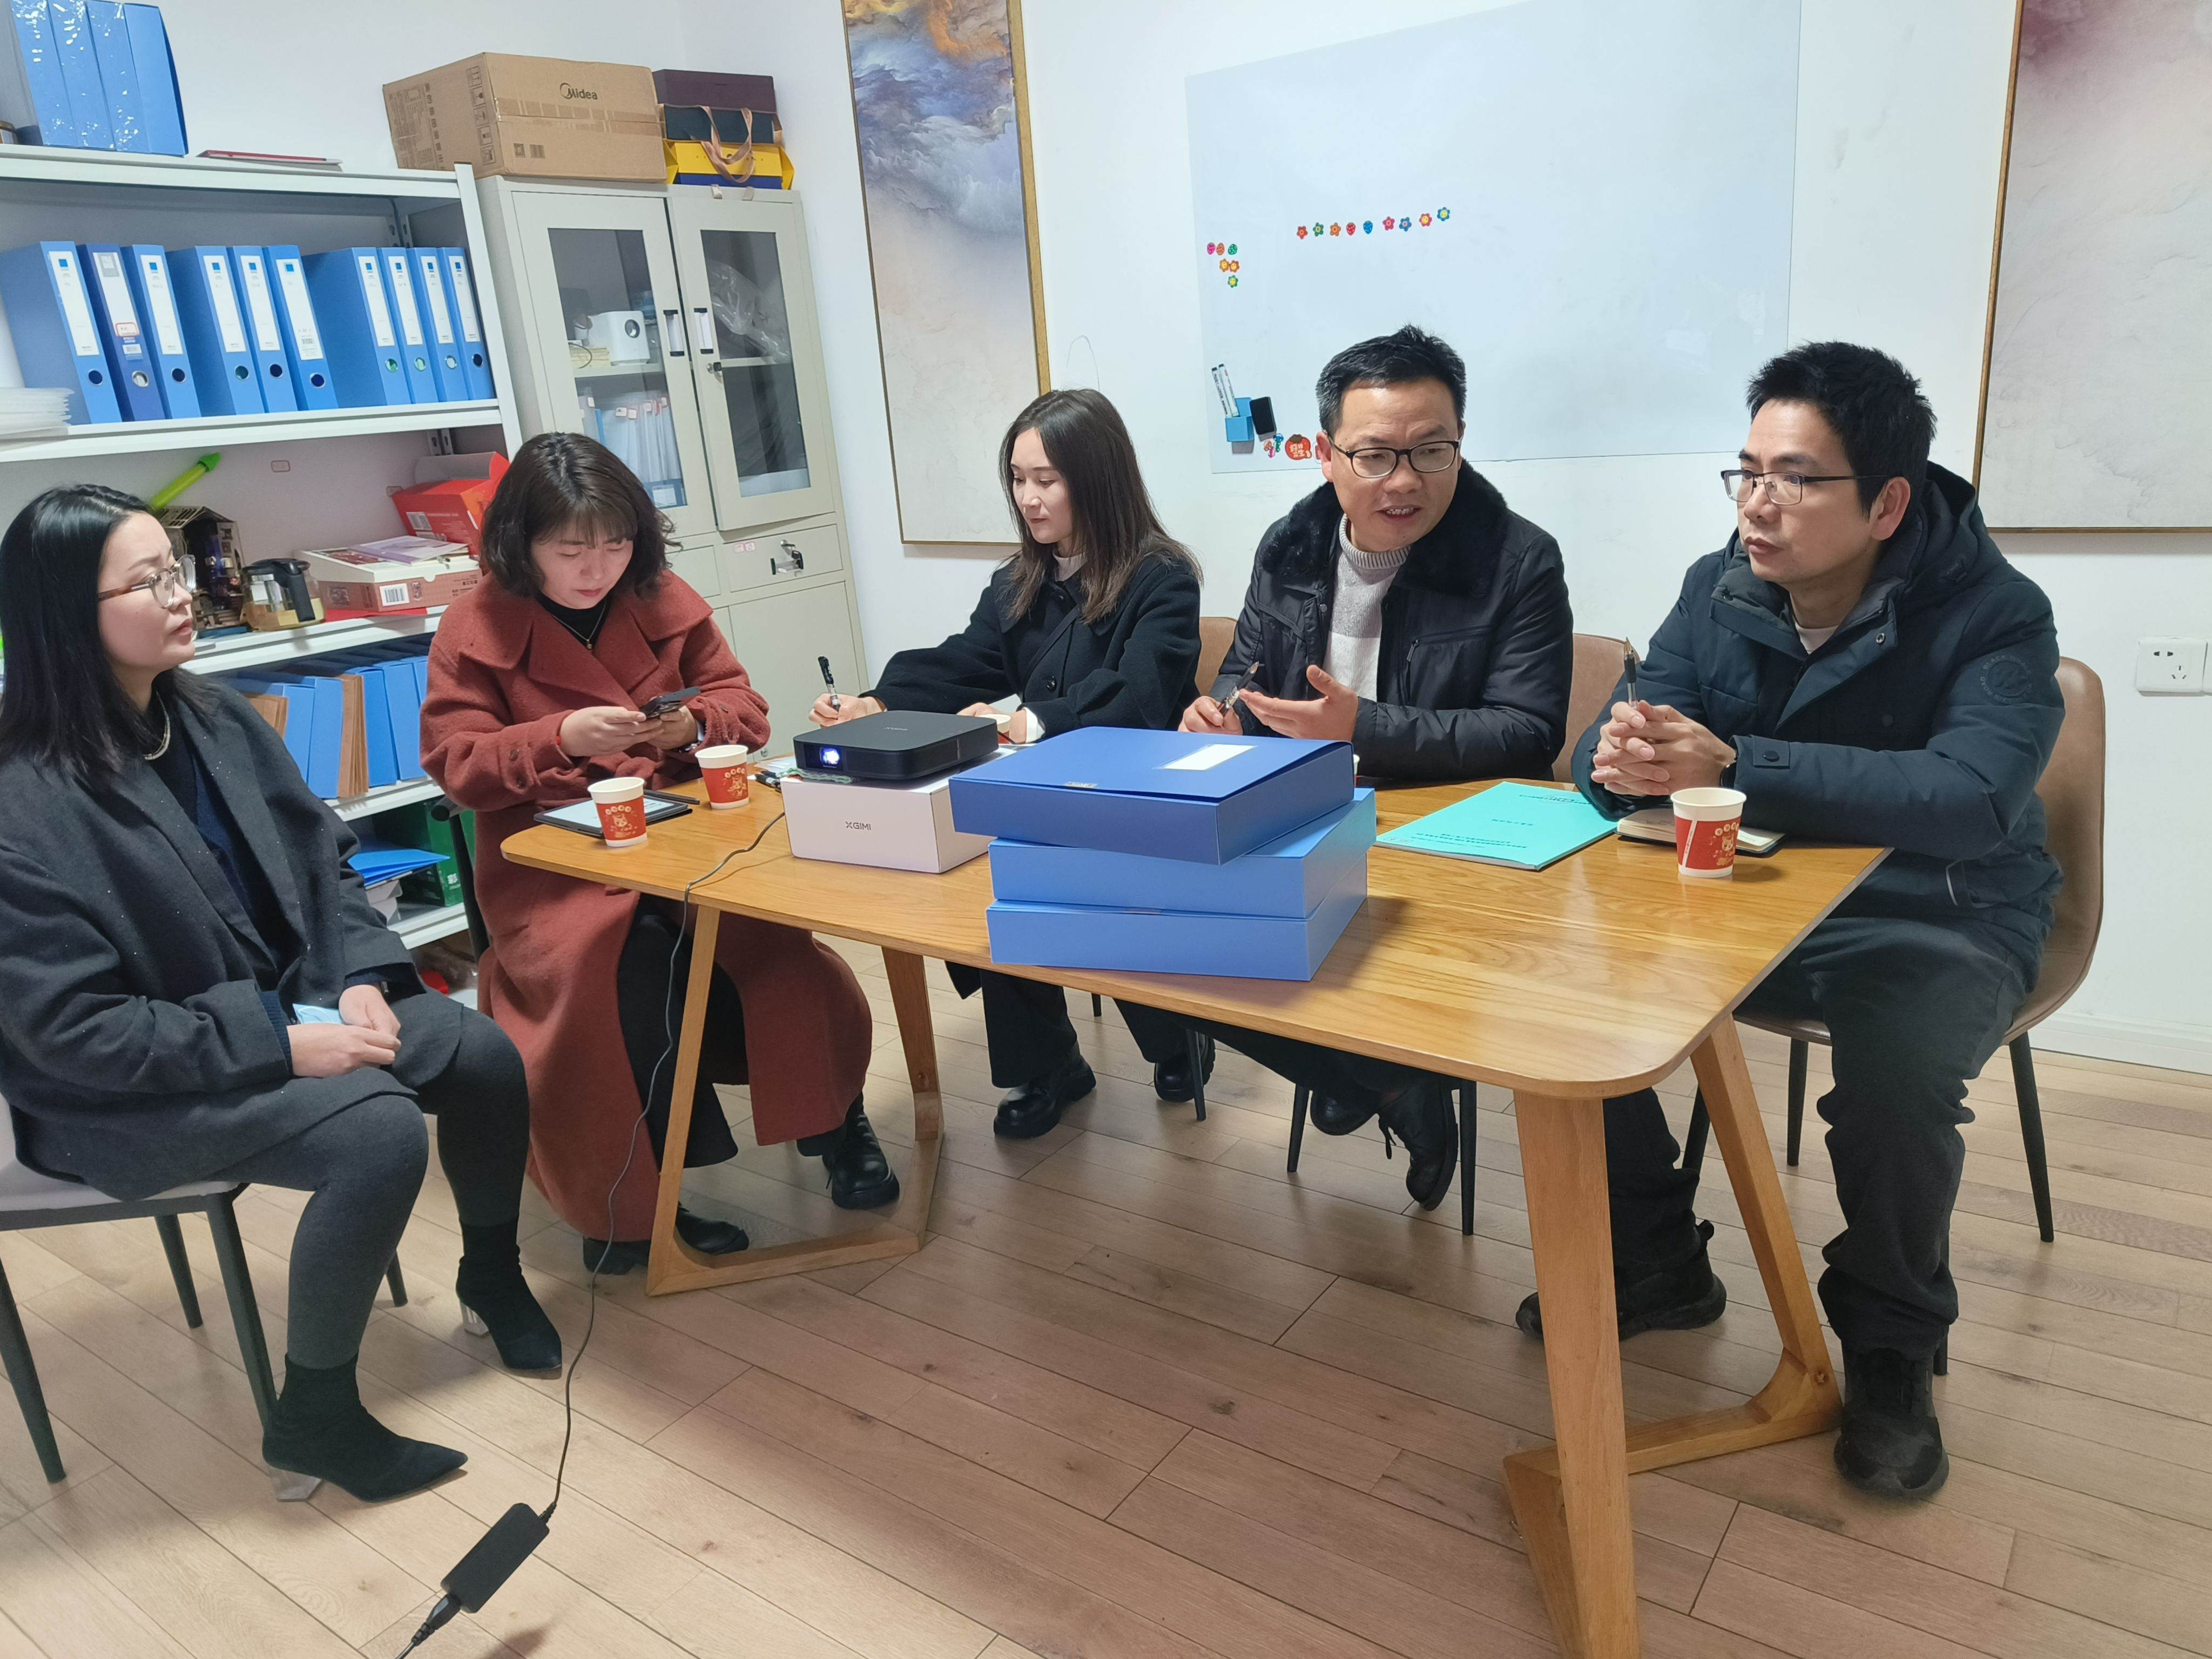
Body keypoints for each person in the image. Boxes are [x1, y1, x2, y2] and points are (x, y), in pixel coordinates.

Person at [1527, 341, 2062, 1501]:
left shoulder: (1995, 613)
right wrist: (1616, 762)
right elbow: (1626, 741)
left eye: (1796, 478)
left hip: (1932, 909)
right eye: (1748, 471)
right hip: (1748, 894)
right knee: (1567, 991)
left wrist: (1735, 763)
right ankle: (1656, 1259)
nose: (1757, 504)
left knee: (1896, 1080)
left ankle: (1890, 1343)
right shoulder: (1716, 586)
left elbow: (1969, 802)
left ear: (1886, 504)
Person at [0, 485, 559, 1506]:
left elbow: (328, 864)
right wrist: (278, 1039)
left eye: (176, 570)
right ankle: (317, 1417)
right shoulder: (20, 803)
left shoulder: (209, 716)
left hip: (293, 1007)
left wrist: (363, 977)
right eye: (148, 582)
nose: (184, 595)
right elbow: (75, 1034)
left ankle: (491, 1272)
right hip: (123, 1090)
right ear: (65, 615)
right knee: (376, 1132)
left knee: (481, 1055)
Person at [423, 433, 892, 1273]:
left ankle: (835, 1124)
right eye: (571, 550)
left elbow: (744, 703)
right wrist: (559, 737)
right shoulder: (475, 624)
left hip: (686, 827)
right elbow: (457, 765)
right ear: (522, 544)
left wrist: (692, 724)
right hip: (554, 864)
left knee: (776, 948)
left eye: (615, 544)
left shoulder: (658, 592)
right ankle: (634, 1203)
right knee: (621, 973)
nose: (596, 568)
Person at [1170, 325, 1574, 1208]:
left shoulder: (1517, 559)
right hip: (1310, 812)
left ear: (1460, 445)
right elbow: (1246, 671)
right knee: (1166, 931)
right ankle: (1377, 1077)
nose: (1405, 480)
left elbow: (1527, 731)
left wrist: (1364, 729)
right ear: (1326, 455)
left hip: (1446, 834)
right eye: (1376, 454)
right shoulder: (1289, 547)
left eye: (1432, 451)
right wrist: (1224, 709)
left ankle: (1369, 1061)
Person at [810, 389, 1203, 1139]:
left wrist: (1026, 722)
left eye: (1046, 479)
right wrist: (874, 702)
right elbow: (965, 662)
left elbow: (1142, 694)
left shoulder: (1162, 577)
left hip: (1133, 791)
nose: (1029, 497)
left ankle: (1177, 1039)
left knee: (1099, 877)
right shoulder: (1020, 579)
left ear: (1098, 478)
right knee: (982, 874)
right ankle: (1048, 1063)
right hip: (1044, 787)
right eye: (1018, 479)